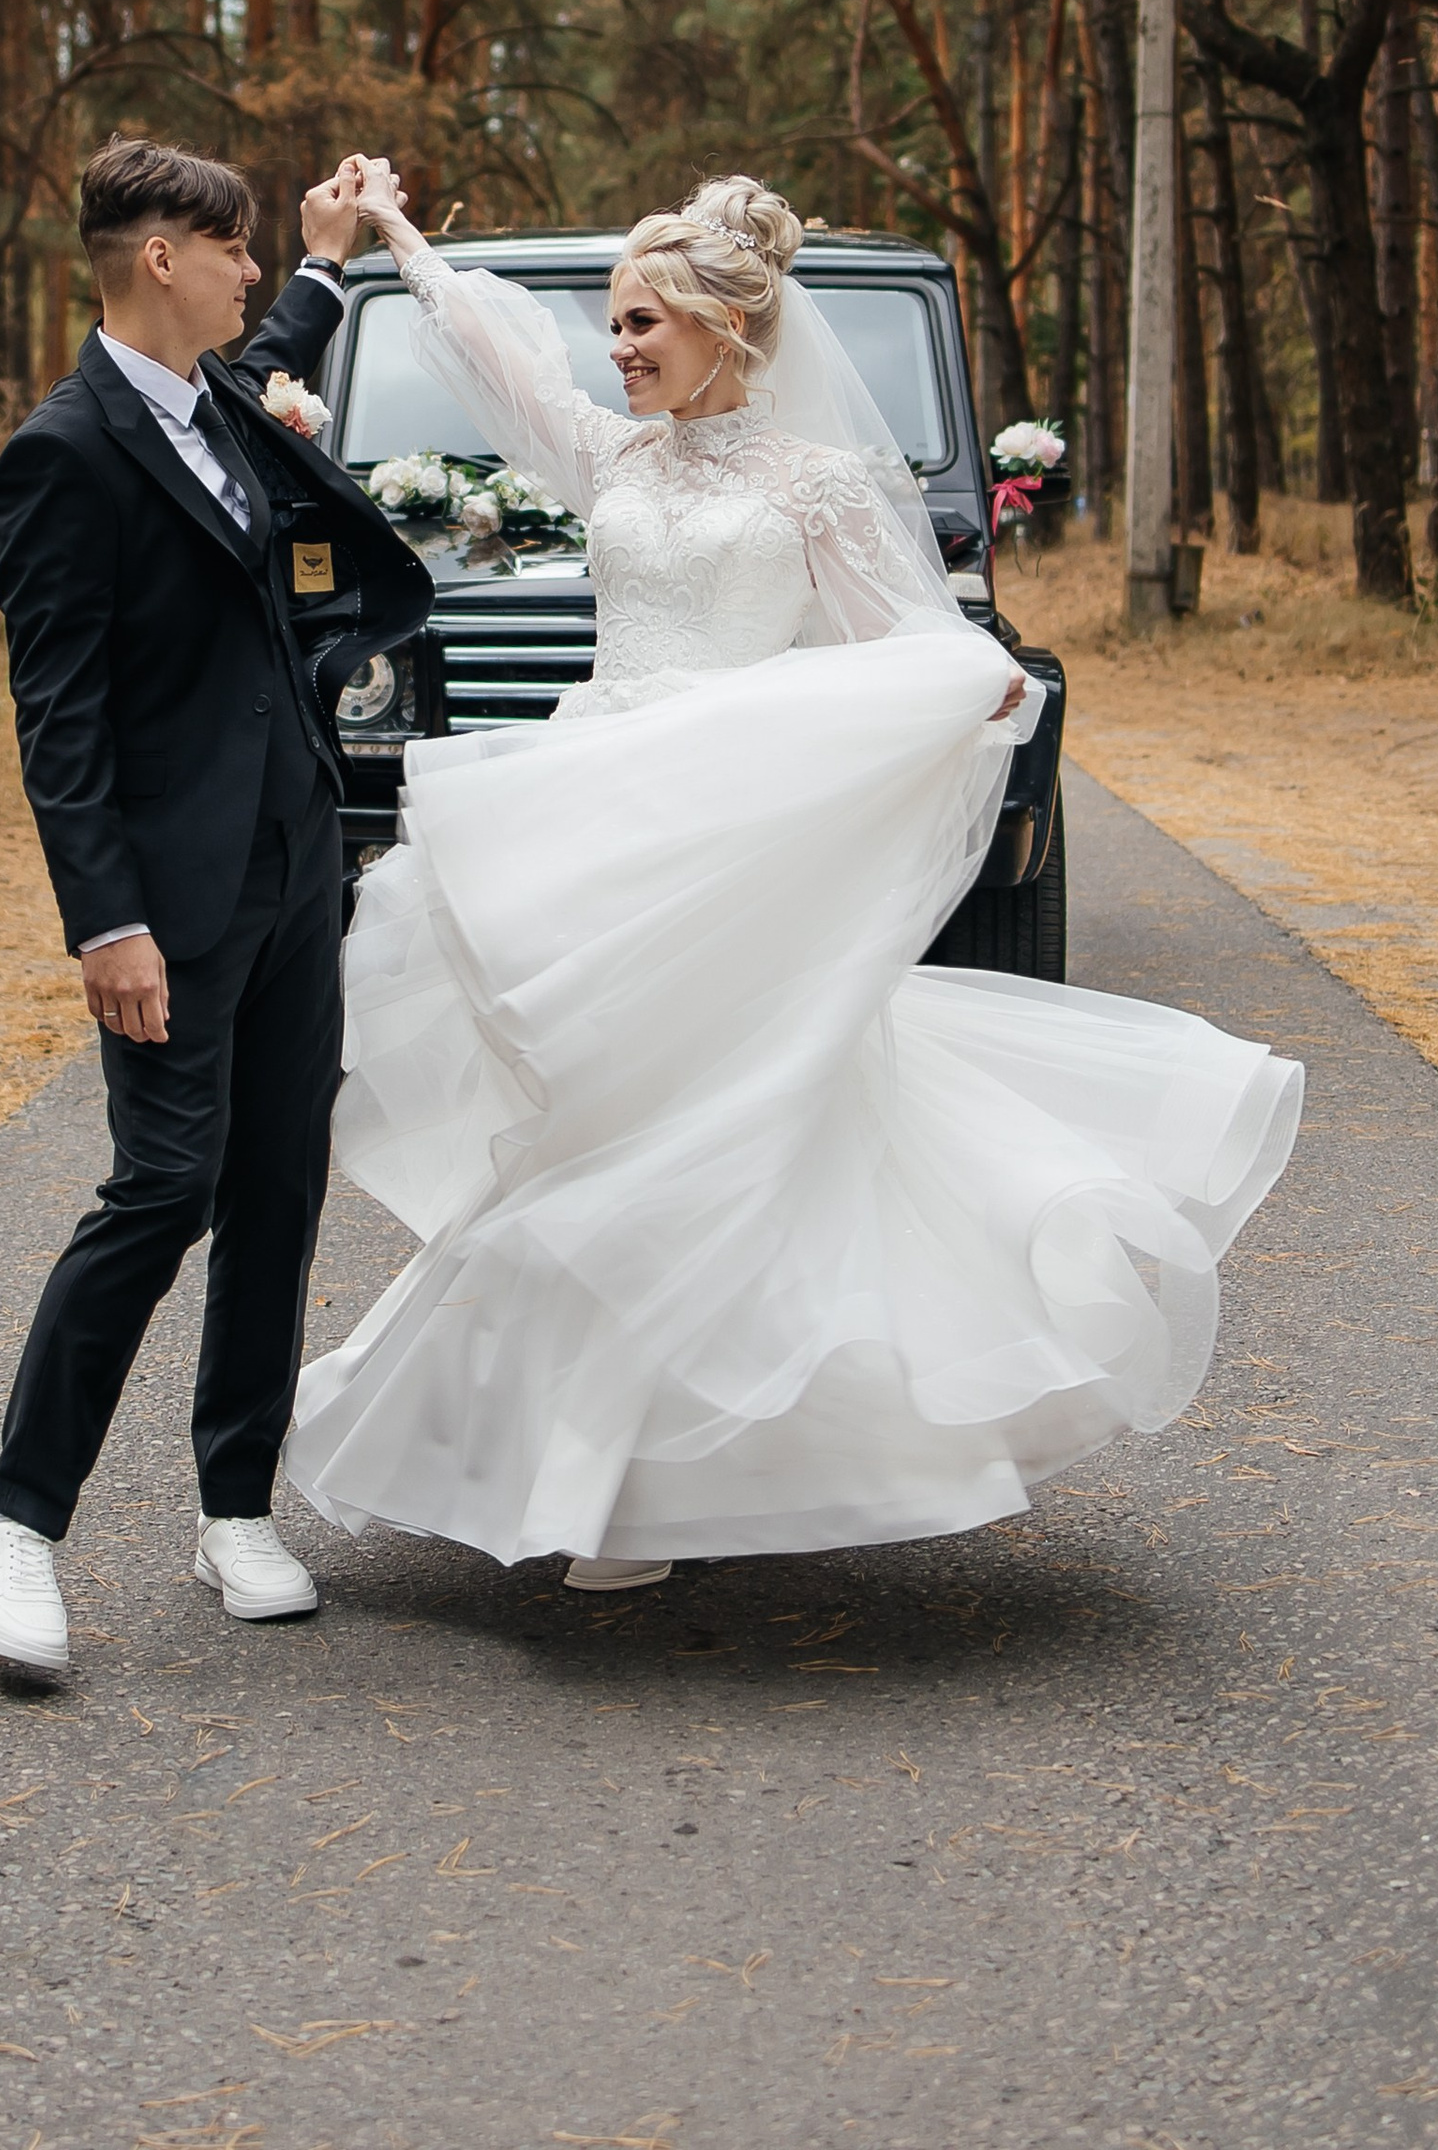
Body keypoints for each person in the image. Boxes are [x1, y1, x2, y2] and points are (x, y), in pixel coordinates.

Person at [286, 164, 1302, 1589]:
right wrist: (398, 239)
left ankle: (671, 1467)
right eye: (617, 326)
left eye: (644, 324)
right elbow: (500, 363)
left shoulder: (818, 484)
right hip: (601, 837)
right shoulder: (613, 459)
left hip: (732, 851)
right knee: (599, 1132)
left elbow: (914, 645)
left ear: (725, 329)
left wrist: (974, 693)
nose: (620, 349)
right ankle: (604, 1469)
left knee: (718, 1131)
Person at [0, 138, 431, 1676]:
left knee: (279, 1188)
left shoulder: (223, 394)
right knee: (164, 1188)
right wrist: (108, 925)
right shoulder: (65, 453)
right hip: (168, 899)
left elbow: (283, 347)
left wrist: (328, 253)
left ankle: (237, 1507)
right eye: (232, 252)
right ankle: (15, 1526)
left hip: (298, 864)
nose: (248, 278)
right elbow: (61, 718)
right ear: (163, 259)